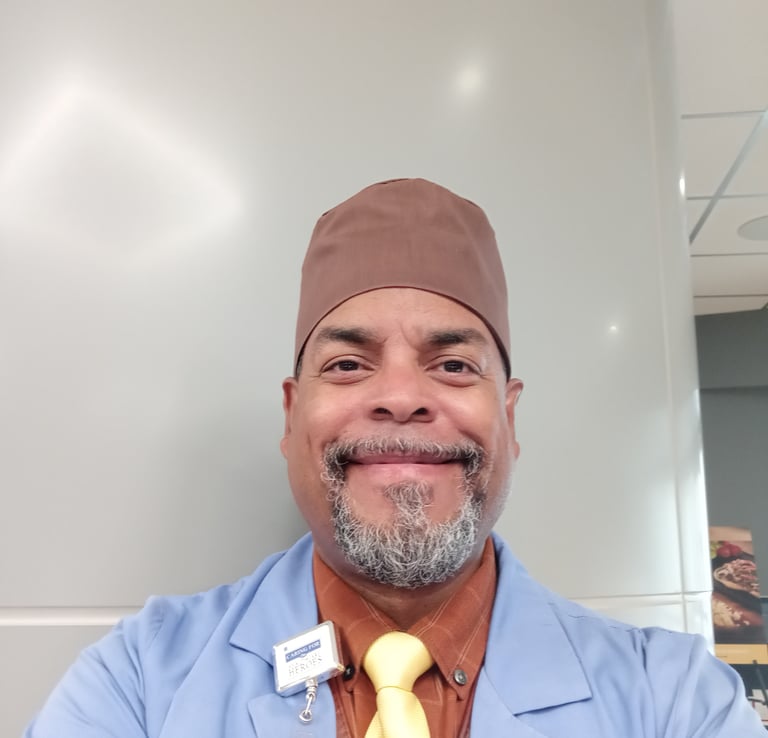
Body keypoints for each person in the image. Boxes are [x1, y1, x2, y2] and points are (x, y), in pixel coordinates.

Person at [25, 179, 764, 737]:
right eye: (349, 365)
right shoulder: (138, 683)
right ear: (291, 416)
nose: (402, 398)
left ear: (508, 418)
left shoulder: (677, 702)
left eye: (453, 366)